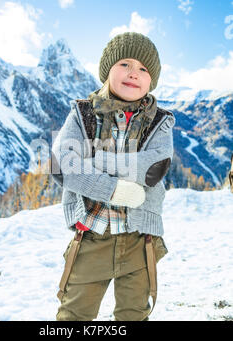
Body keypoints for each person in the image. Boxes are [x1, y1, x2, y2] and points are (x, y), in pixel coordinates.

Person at [51, 32, 176, 321]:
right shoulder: (83, 114)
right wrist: (113, 190)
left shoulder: (161, 122)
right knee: (74, 315)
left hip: (140, 241)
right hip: (91, 237)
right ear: (108, 70)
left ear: (152, 80)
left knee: (133, 314)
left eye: (144, 69)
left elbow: (152, 168)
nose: (134, 74)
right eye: (125, 64)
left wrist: (96, 160)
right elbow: (61, 165)